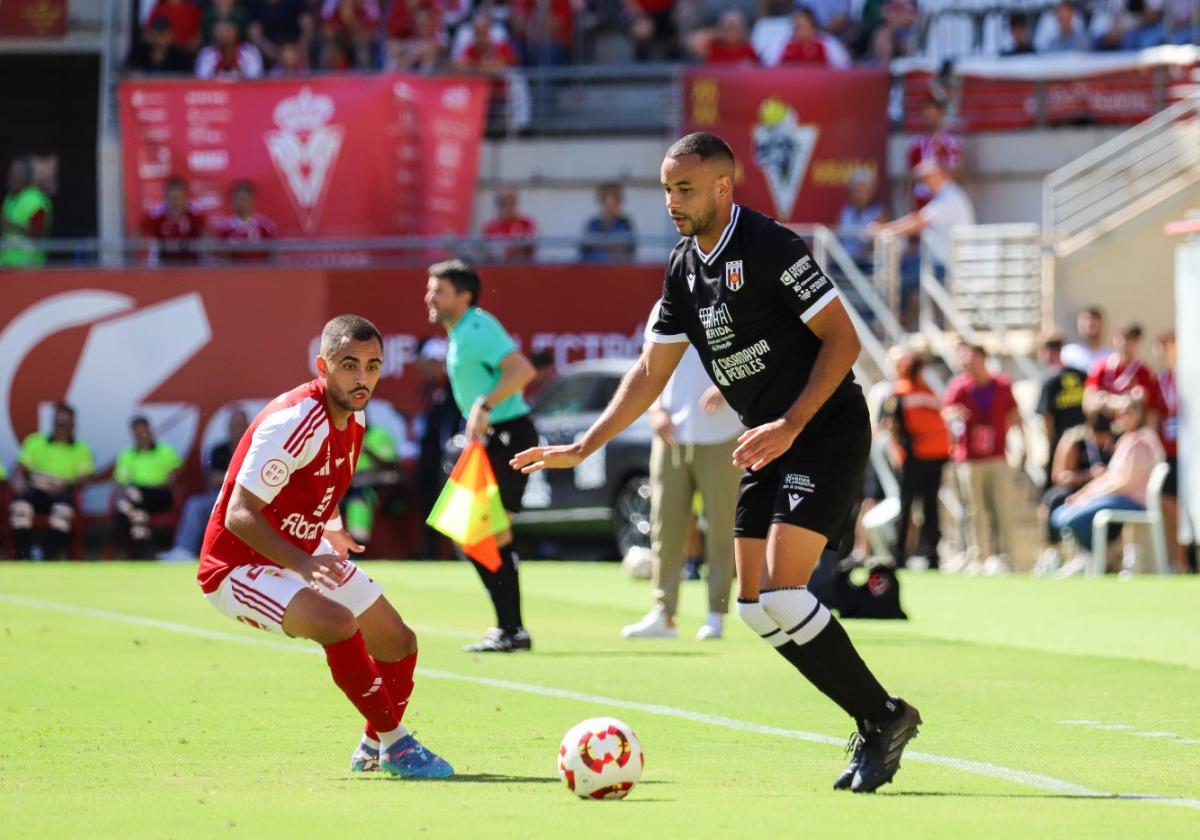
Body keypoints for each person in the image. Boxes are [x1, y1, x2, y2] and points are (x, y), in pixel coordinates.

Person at [511, 132, 921, 793]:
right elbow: (649, 371)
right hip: (768, 437)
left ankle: (884, 719)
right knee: (756, 609)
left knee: (787, 594)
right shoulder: (682, 267)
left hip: (822, 429)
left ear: (723, 188)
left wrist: (791, 422)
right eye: (667, 189)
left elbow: (844, 342)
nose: (672, 202)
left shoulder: (771, 247)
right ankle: (877, 717)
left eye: (685, 189)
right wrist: (586, 442)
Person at [198, 315, 453, 778]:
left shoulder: (353, 418)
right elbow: (239, 514)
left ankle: (371, 748)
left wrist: (330, 527)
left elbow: (319, 484)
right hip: (237, 566)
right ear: (323, 366)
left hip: (302, 554)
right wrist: (302, 560)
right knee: (338, 623)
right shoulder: (296, 420)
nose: (362, 378)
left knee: (398, 642)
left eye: (373, 366)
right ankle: (398, 745)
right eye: (349, 365)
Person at [425, 260, 538, 652]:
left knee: (487, 532)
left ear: (464, 295)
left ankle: (512, 630)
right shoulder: (462, 332)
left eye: (439, 290)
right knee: (477, 532)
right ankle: (510, 629)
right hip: (492, 438)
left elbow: (522, 370)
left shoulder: (475, 327)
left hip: (506, 435)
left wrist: (485, 406)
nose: (430, 297)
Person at [622, 313, 743, 641]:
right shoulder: (664, 305)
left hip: (723, 432)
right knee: (665, 526)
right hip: (671, 432)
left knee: (721, 528)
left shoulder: (732, 301)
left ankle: (716, 614)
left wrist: (726, 387)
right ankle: (664, 613)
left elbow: (754, 355)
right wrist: (656, 409)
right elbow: (652, 365)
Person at [1050, 397, 1165, 571]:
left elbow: (1126, 483)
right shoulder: (1126, 441)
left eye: (1129, 412)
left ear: (1141, 414)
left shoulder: (1141, 441)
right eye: (1121, 413)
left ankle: (1099, 559)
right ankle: (1097, 558)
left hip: (1131, 501)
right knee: (1060, 515)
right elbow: (1109, 477)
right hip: (1115, 497)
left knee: (1073, 519)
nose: (1123, 417)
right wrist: (1083, 494)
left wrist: (1091, 495)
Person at [942, 342, 1024, 575]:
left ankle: (1007, 558)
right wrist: (953, 417)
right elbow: (946, 412)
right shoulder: (959, 387)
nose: (966, 362)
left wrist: (1023, 444)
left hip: (997, 455)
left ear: (982, 357)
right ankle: (979, 557)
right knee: (973, 510)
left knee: (1002, 507)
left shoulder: (1002, 385)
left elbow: (1014, 414)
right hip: (969, 458)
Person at [879, 346, 951, 570]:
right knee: (923, 506)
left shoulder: (904, 391)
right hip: (923, 455)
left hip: (921, 456)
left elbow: (890, 425)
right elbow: (890, 425)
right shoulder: (920, 392)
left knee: (915, 505)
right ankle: (922, 555)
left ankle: (907, 555)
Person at [159, 408, 250, 562]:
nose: (237, 429)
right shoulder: (218, 450)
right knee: (194, 504)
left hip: (248, 498)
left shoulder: (255, 448)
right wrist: (238, 477)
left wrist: (229, 477)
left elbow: (255, 479)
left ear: (248, 426)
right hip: (220, 497)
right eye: (234, 425)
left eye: (241, 425)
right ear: (228, 428)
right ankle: (184, 550)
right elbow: (212, 480)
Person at [1034, 412, 1116, 575]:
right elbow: (1060, 476)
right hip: (1074, 489)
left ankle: (1107, 556)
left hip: (1102, 491)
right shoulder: (1075, 441)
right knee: (1054, 499)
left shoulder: (1114, 442)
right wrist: (1088, 475)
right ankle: (1053, 551)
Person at [9, 404, 94, 560]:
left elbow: (86, 476)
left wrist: (66, 484)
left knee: (63, 513)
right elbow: (20, 467)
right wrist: (19, 481)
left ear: (73, 425)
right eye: (58, 423)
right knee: (20, 507)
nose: (61, 427)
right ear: (52, 422)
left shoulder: (80, 449)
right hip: (35, 490)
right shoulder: (35, 442)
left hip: (61, 492)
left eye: (65, 423)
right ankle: (22, 557)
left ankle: (44, 556)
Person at [1084, 321, 1163, 425]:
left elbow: (1150, 411)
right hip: (1103, 432)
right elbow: (1088, 404)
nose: (1126, 344)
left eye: (1132, 340)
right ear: (1114, 339)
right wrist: (1122, 402)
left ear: (1138, 343)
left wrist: (1107, 400)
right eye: (1123, 338)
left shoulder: (1144, 372)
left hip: (1130, 433)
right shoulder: (1101, 367)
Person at [1154, 331, 1187, 572]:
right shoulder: (1159, 381)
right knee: (1169, 504)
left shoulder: (1189, 377)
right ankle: (1179, 560)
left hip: (1190, 454)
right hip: (1168, 452)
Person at [1036, 333, 1086, 491]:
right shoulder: (1081, 375)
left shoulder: (1050, 380)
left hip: (1061, 443)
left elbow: (1046, 416)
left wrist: (1050, 439)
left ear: (1045, 351)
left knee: (1055, 488)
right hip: (1084, 442)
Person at [905, 97, 963, 212]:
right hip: (921, 201)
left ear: (940, 114)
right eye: (925, 111)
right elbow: (912, 178)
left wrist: (935, 168)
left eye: (931, 110)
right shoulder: (914, 144)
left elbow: (956, 174)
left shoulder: (950, 143)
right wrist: (911, 205)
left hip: (943, 200)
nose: (927, 115)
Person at [140, 176, 206, 264]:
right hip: (162, 265)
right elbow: (140, 238)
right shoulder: (154, 215)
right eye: (173, 198)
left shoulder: (196, 214)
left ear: (186, 197)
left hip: (191, 265)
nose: (176, 203)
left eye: (179, 198)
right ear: (166, 196)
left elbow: (208, 237)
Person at [1, 157, 53, 267]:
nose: (10, 178)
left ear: (25, 177)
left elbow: (37, 233)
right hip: (7, 265)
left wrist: (9, 223)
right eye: (10, 174)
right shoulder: (10, 198)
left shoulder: (37, 200)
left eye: (14, 174)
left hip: (29, 266)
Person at [214, 180, 277, 262]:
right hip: (234, 273)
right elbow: (220, 255)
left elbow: (273, 253)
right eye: (237, 199)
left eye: (244, 199)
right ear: (232, 201)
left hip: (260, 272)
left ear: (252, 200)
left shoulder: (266, 226)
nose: (241, 203)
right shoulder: (224, 228)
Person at [836, 168, 886, 267]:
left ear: (871, 191)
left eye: (864, 189)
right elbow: (838, 239)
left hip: (867, 264)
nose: (860, 193)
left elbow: (878, 244)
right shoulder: (845, 212)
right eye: (857, 189)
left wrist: (859, 255)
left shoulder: (879, 213)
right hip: (844, 263)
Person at [579, 182, 637, 262]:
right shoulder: (593, 224)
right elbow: (584, 249)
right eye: (605, 200)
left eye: (615, 200)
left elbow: (629, 250)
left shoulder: (625, 224)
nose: (609, 207)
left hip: (618, 270)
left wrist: (603, 245)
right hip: (594, 270)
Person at [482, 188, 537, 263]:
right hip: (497, 268)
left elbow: (531, 246)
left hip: (521, 268)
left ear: (516, 202)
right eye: (503, 202)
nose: (507, 205)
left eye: (511, 201)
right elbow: (484, 251)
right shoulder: (490, 226)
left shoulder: (526, 223)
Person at [195, 19, 265, 78]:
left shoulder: (250, 52)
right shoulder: (206, 53)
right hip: (215, 92)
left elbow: (255, 79)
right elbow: (202, 79)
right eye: (220, 31)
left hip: (243, 91)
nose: (224, 35)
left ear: (236, 32)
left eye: (227, 31)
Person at [128, 16, 196, 74]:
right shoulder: (139, 53)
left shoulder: (182, 58)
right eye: (156, 34)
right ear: (150, 35)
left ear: (171, 36)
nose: (159, 39)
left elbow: (188, 79)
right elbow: (127, 71)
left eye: (163, 35)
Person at [1061, 306, 1108, 374]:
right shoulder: (1067, 353)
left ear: (1102, 325)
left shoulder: (1111, 356)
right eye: (1085, 320)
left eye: (1094, 321)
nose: (1089, 324)